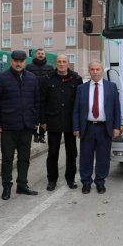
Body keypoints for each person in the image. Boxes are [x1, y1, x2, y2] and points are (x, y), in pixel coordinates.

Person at [0, 50, 40, 200]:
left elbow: (37, 101)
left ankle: (22, 185)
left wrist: (36, 121)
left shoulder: (32, 78)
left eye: (21, 61)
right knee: (7, 158)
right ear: (11, 61)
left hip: (27, 126)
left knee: (24, 157)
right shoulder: (1, 78)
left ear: (25, 62)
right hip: (8, 126)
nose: (18, 63)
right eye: (15, 60)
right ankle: (7, 186)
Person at [72, 60, 121, 194]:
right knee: (85, 157)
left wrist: (116, 127)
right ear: (89, 71)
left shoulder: (111, 87)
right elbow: (76, 109)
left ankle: (100, 182)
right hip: (87, 128)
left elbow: (117, 109)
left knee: (103, 157)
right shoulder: (82, 88)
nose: (95, 72)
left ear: (102, 71)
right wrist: (76, 127)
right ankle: (86, 183)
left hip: (104, 128)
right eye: (92, 69)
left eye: (97, 69)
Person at [39, 54, 83, 191]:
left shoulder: (76, 79)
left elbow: (80, 103)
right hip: (53, 121)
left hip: (70, 122)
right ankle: (52, 180)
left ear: (68, 64)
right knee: (52, 153)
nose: (62, 64)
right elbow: (42, 101)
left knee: (72, 152)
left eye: (64, 61)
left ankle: (70, 178)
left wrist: (79, 123)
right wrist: (43, 121)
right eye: (59, 62)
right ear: (56, 63)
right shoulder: (47, 79)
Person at [26, 47, 54, 143]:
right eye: (39, 53)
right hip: (32, 94)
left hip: (45, 95)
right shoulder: (29, 67)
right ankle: (35, 135)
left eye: (42, 53)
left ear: (45, 55)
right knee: (34, 114)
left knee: (44, 115)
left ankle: (42, 135)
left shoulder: (50, 67)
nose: (40, 55)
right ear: (35, 55)